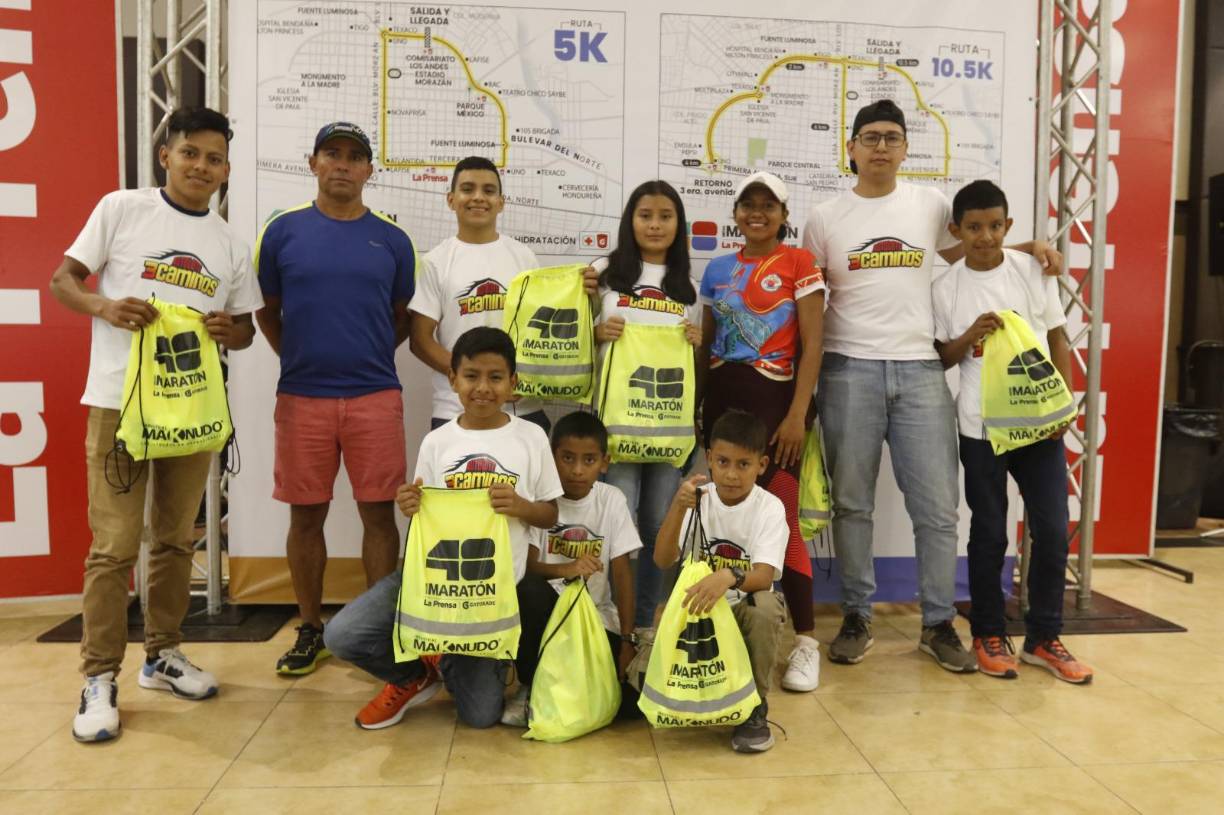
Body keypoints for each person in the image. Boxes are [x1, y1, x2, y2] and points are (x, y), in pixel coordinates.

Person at [802, 99, 1061, 671]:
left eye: (892, 137)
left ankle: (939, 623)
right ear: (850, 148)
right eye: (869, 137)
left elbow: (968, 248)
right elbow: (809, 299)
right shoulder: (823, 218)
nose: (881, 147)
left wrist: (1028, 248)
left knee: (939, 510)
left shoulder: (930, 204)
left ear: (904, 148)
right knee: (852, 506)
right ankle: (856, 616)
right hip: (848, 370)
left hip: (923, 370)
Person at [49, 107, 263, 743]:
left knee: (175, 540)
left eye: (215, 158)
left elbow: (246, 327)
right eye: (191, 153)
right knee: (114, 548)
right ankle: (98, 677)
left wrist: (234, 332)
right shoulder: (121, 208)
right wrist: (104, 306)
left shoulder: (228, 242)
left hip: (190, 409)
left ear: (227, 170)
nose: (202, 166)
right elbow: (64, 280)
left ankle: (163, 654)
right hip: (119, 405)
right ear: (166, 154)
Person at [323, 326, 563, 729]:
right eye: (471, 376)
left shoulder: (532, 437)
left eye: (496, 377)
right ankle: (414, 675)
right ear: (452, 380)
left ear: (513, 383)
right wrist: (410, 505)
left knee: (481, 716)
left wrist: (522, 506)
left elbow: (551, 514)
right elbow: (424, 515)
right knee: (342, 635)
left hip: (490, 592)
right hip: (432, 579)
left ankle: (452, 654)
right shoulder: (438, 441)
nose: (483, 388)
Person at [254, 121, 418, 676]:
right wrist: (299, 358)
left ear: (370, 169)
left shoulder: (393, 240)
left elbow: (399, 319)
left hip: (375, 395)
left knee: (379, 516)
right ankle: (309, 628)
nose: (343, 164)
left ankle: (380, 628)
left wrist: (365, 355)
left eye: (355, 156)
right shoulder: (282, 233)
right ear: (313, 162)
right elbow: (266, 310)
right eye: (333, 154)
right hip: (302, 398)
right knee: (307, 518)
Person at [933, 180, 1093, 683]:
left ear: (1009, 227)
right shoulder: (946, 286)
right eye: (975, 228)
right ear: (957, 230)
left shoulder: (1030, 269)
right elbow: (940, 357)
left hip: (1037, 425)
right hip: (981, 427)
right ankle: (987, 632)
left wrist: (1063, 403)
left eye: (995, 226)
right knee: (989, 530)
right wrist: (969, 336)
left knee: (1050, 529)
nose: (986, 237)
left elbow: (1056, 336)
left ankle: (1044, 637)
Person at [699, 171, 825, 693]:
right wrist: (697, 412)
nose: (757, 212)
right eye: (748, 204)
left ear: (783, 213)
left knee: (783, 522)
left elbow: (813, 346)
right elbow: (706, 346)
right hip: (723, 401)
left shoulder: (799, 263)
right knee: (723, 516)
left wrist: (797, 415)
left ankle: (807, 643)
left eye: (768, 205)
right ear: (735, 214)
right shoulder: (718, 268)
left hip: (777, 408)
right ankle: (729, 622)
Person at [409, 156, 601, 432]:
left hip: (521, 406)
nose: (478, 198)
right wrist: (474, 380)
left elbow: (541, 327)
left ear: (501, 202)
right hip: (455, 409)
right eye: (467, 189)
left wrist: (581, 293)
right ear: (451, 199)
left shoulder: (523, 257)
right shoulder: (436, 262)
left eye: (488, 190)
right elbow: (420, 340)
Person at [593, 180, 701, 629]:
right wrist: (595, 334)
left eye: (665, 216)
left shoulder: (687, 288)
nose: (655, 225)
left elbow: (692, 365)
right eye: (645, 215)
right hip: (617, 427)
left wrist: (696, 345)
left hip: (669, 429)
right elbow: (570, 338)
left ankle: (648, 623)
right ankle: (612, 621)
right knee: (618, 526)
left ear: (678, 225)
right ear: (629, 221)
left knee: (661, 524)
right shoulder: (603, 273)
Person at [654, 410, 789, 753]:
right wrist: (677, 508)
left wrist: (728, 577)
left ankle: (753, 708)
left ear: (761, 465)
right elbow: (662, 559)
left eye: (743, 464)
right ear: (709, 458)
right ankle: (703, 693)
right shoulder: (697, 498)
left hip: (741, 611)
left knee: (765, 607)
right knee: (644, 692)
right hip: (700, 612)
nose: (731, 474)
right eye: (723, 462)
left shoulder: (769, 508)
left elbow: (764, 575)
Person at [503, 411, 643, 726]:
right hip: (547, 619)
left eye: (589, 460)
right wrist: (566, 569)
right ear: (552, 459)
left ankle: (565, 688)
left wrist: (627, 640)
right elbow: (527, 567)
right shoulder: (541, 503)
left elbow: (623, 574)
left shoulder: (612, 500)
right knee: (528, 590)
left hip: (595, 621)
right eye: (567, 458)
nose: (577, 470)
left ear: (604, 462)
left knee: (630, 709)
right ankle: (530, 685)